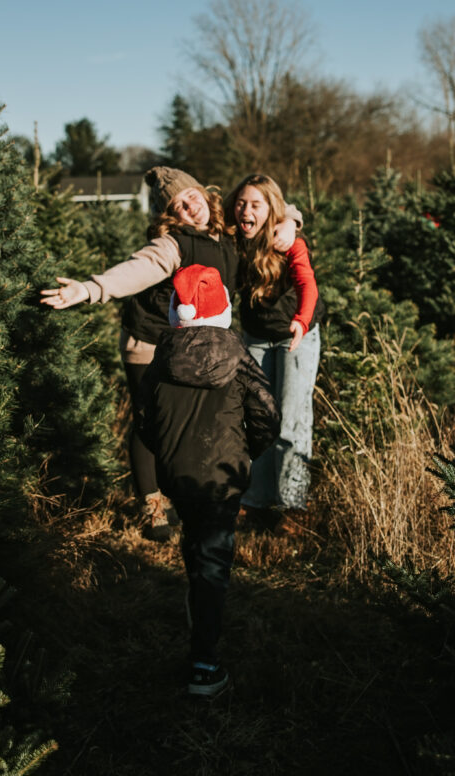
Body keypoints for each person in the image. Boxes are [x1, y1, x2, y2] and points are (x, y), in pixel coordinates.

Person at [40, 166, 298, 539]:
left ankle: (184, 493)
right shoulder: (174, 244)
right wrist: (90, 289)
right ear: (170, 216)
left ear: (203, 193)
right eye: (177, 206)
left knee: (187, 423)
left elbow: (268, 207)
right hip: (150, 344)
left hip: (196, 348)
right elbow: (139, 269)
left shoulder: (227, 233)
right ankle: (153, 507)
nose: (188, 208)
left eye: (190, 197)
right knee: (151, 424)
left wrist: (291, 221)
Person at [139, 264, 280, 696]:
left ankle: (196, 603)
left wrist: (165, 456)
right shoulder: (238, 357)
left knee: (198, 547)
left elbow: (144, 422)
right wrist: (245, 455)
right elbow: (266, 417)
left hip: (177, 477)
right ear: (223, 308)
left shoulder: (162, 358)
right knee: (215, 563)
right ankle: (204, 663)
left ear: (175, 311)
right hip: (223, 478)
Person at [225, 174, 323, 532]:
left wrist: (301, 319)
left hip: (296, 335)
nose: (245, 210)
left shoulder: (287, 241)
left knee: (293, 420)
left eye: (255, 204)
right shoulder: (233, 239)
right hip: (255, 337)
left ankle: (294, 504)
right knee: (259, 418)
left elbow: (306, 281)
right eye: (241, 202)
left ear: (271, 209)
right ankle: (257, 501)